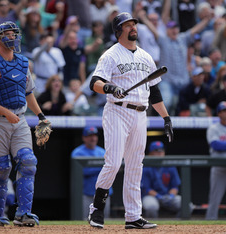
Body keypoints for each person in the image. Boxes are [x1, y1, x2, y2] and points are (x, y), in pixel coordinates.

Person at [87, 12, 173, 229]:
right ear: (119, 31)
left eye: (134, 23)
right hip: (117, 111)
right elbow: (94, 82)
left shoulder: (146, 56)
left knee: (136, 166)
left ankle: (133, 216)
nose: (133, 27)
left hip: (140, 113)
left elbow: (154, 91)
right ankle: (97, 208)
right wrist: (110, 87)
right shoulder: (110, 55)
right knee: (114, 163)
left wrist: (166, 117)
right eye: (128, 25)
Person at [0, 21, 50, 227]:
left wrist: (41, 115)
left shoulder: (23, 62)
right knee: (2, 168)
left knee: (28, 162)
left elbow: (28, 93)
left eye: (14, 34)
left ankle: (23, 213)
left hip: (19, 119)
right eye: (7, 34)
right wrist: (6, 112)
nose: (13, 37)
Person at [71, 126, 113, 220]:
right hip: (86, 193)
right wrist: (101, 168)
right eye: (90, 136)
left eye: (94, 135)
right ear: (84, 138)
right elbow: (81, 171)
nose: (93, 138)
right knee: (84, 220)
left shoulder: (103, 152)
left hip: (103, 193)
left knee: (104, 219)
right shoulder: (77, 152)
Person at [141, 141, 181, 218]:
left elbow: (175, 186)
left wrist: (171, 196)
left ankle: (177, 226)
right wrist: (159, 196)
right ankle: (153, 226)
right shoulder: (146, 167)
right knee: (151, 206)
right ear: (151, 153)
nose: (160, 153)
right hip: (151, 196)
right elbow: (146, 189)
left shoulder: (170, 166)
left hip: (168, 196)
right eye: (156, 151)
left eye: (161, 150)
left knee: (187, 205)